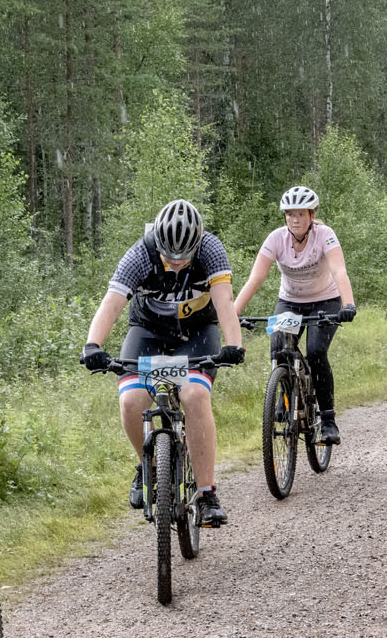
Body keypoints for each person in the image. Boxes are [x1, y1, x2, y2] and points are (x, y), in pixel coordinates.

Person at [81, 200, 244, 524]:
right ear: (158, 242)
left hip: (198, 332)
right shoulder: (139, 253)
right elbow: (111, 304)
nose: (178, 263)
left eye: (185, 257)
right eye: (170, 256)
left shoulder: (211, 249)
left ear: (197, 241)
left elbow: (225, 304)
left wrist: (233, 345)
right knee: (131, 400)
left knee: (195, 396)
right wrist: (93, 344)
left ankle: (206, 492)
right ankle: (148, 465)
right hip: (148, 333)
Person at [233, 186, 357, 445]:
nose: (295, 220)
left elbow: (338, 271)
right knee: (279, 344)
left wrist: (348, 304)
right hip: (290, 301)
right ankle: (285, 394)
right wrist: (232, 314)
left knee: (315, 351)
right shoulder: (276, 239)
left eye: (300, 214)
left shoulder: (325, 235)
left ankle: (328, 419)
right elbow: (256, 278)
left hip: (326, 301)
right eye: (290, 214)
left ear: (311, 215)